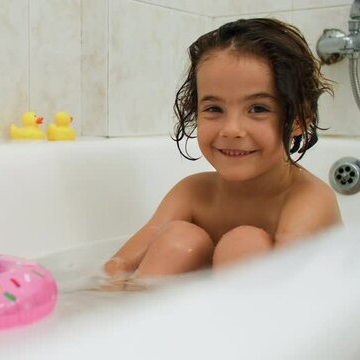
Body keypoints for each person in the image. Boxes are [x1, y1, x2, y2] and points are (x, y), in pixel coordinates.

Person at [104, 18, 342, 278]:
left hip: (290, 306)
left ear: (299, 120)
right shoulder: (193, 193)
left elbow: (295, 286)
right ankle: (141, 312)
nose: (231, 129)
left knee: (244, 244)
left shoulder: (308, 200)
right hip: (197, 310)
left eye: (258, 109)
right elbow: (118, 265)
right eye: (214, 109)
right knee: (179, 239)